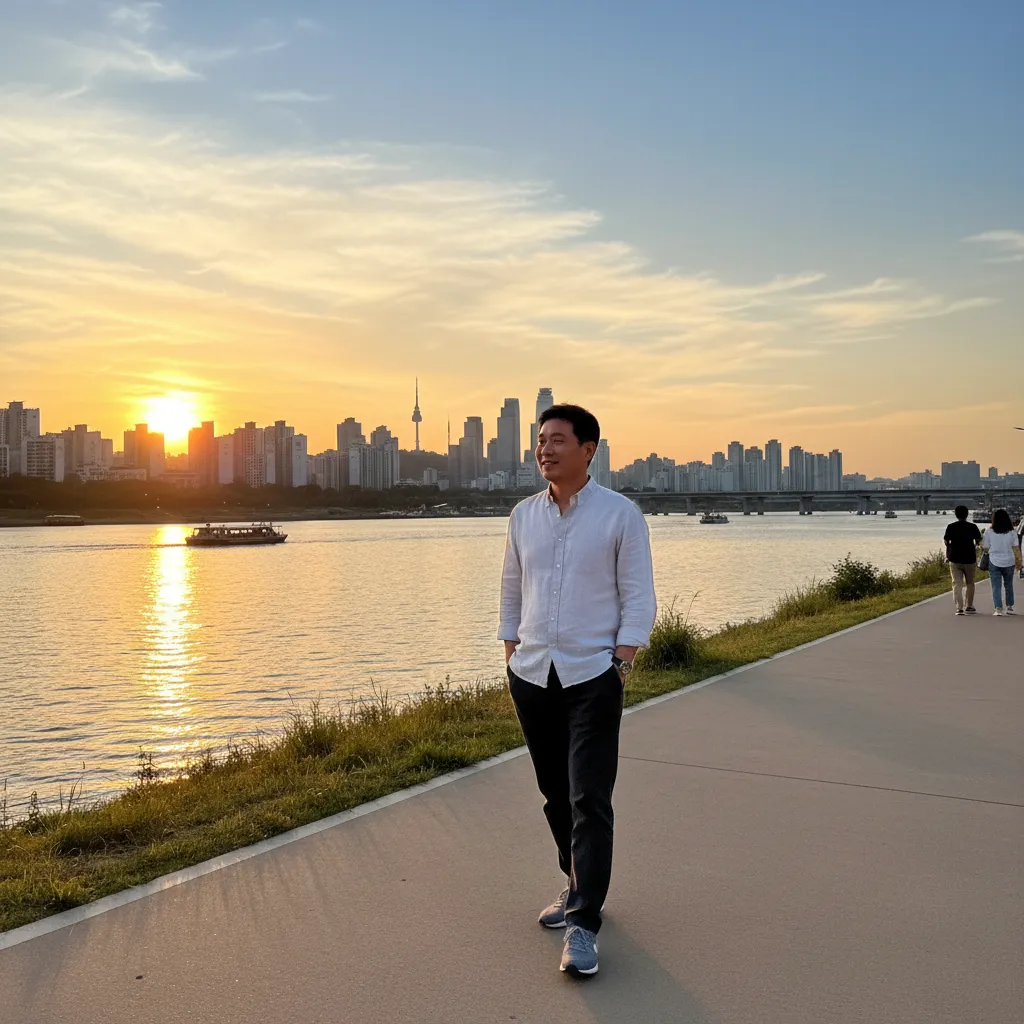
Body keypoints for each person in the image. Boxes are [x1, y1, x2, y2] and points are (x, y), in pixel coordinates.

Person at [498, 403, 656, 978]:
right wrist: (510, 651)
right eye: (541, 440)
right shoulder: (523, 516)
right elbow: (511, 588)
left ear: (589, 450)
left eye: (558, 440)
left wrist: (622, 662)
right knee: (554, 795)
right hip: (532, 673)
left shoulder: (619, 514)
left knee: (590, 798)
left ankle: (584, 922)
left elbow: (638, 594)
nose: (545, 449)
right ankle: (575, 881)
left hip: (593, 675)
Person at [981, 508, 1022, 615]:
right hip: (1009, 561)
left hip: (994, 561)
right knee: (1009, 585)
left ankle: (998, 609)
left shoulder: (989, 532)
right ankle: (1010, 607)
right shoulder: (1012, 532)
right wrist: (1019, 562)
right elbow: (1016, 548)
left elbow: (985, 547)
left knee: (996, 586)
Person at [942, 506, 982, 615]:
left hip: (954, 558)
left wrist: (950, 547)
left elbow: (946, 541)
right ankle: (969, 606)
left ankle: (959, 608)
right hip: (969, 558)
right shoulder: (972, 526)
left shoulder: (951, 527)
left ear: (956, 515)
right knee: (970, 583)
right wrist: (975, 546)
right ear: (967, 514)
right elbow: (978, 541)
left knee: (957, 583)